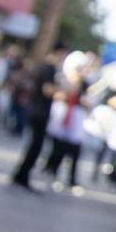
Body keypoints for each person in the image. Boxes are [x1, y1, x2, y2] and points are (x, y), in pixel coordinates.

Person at [10, 42, 70, 192]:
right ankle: (21, 176)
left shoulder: (42, 66)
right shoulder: (49, 68)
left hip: (36, 110)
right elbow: (48, 90)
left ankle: (21, 175)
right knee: (35, 147)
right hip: (39, 111)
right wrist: (63, 88)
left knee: (34, 146)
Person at [41, 85, 86, 190]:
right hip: (61, 135)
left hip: (74, 137)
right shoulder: (60, 105)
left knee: (74, 159)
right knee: (56, 154)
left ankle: (71, 179)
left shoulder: (79, 108)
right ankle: (51, 171)